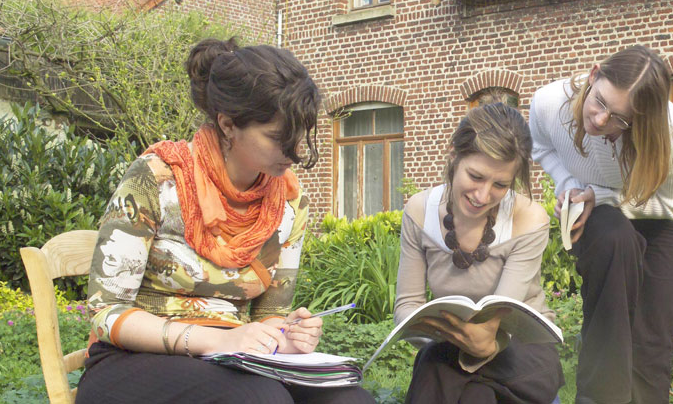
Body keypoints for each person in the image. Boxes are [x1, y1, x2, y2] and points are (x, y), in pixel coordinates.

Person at [77, 38, 374, 404]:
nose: (294, 152)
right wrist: (218, 340)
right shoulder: (156, 179)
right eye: (279, 136)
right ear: (228, 124)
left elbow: (270, 314)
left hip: (231, 358)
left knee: (349, 400)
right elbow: (105, 312)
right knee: (260, 399)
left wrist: (288, 335)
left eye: (298, 135)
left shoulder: (288, 201)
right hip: (131, 359)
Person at [529, 45, 673, 404]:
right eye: (600, 102)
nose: (601, 120)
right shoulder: (547, 104)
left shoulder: (671, 133)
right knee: (611, 316)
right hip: (604, 219)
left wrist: (602, 195)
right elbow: (541, 147)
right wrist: (570, 186)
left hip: (660, 220)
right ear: (593, 75)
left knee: (652, 343)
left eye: (620, 118)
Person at [395, 101, 563, 404]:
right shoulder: (419, 212)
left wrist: (482, 343)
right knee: (474, 393)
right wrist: (438, 330)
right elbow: (407, 305)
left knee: (437, 367)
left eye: (500, 184)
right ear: (454, 157)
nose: (483, 195)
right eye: (475, 176)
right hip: (452, 347)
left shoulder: (529, 219)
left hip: (523, 352)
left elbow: (498, 317)